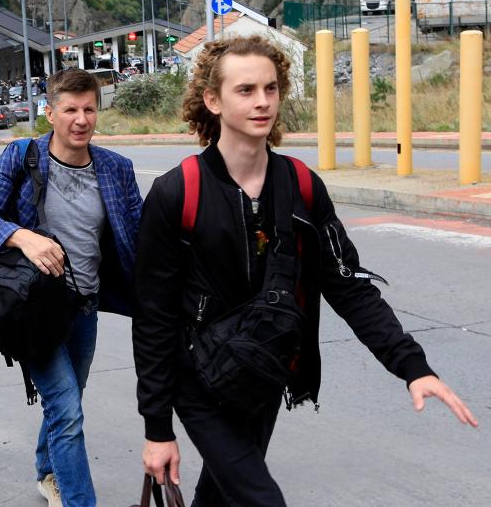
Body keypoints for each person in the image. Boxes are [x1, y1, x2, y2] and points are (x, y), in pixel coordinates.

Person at [132, 35, 478, 507]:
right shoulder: (178, 193)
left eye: (271, 89)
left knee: (222, 496)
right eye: (246, 90)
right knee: (261, 499)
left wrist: (412, 367)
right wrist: (157, 428)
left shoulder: (300, 185)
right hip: (198, 381)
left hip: (264, 372)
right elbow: (153, 316)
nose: (263, 102)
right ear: (212, 100)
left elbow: (349, 286)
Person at [0, 68, 143, 507]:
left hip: (84, 307)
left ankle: (47, 470)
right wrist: (22, 236)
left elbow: (141, 235)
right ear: (50, 113)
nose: (80, 119)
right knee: (66, 408)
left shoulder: (116, 169)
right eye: (70, 110)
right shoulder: (23, 156)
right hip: (33, 310)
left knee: (69, 397)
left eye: (89, 110)